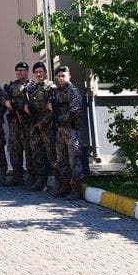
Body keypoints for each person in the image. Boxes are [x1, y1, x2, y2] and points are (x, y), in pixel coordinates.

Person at [50, 65, 85, 199]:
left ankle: (76, 190)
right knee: (62, 160)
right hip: (59, 130)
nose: (61, 78)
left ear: (69, 76)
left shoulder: (73, 91)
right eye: (59, 76)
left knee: (74, 160)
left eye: (63, 75)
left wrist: (59, 118)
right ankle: (65, 187)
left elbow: (74, 111)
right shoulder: (57, 91)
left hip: (71, 130)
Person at [25, 62, 54, 191]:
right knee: (36, 154)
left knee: (52, 154)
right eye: (36, 72)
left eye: (41, 71)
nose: (39, 74)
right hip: (35, 125)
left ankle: (60, 182)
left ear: (45, 72)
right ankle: (40, 181)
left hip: (47, 125)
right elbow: (29, 105)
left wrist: (43, 123)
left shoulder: (51, 87)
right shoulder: (32, 88)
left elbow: (53, 110)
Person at [3, 62, 32, 187]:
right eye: (18, 70)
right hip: (14, 123)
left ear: (27, 72)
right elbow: (3, 100)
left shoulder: (33, 86)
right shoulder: (10, 87)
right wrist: (6, 103)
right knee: (15, 150)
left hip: (28, 123)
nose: (20, 72)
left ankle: (32, 176)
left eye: (23, 70)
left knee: (30, 149)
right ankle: (17, 176)